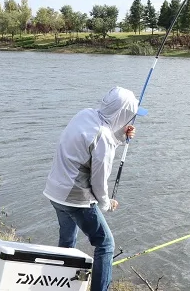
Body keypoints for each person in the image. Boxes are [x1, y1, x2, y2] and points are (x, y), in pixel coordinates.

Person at [43, 86, 142, 291]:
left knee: (67, 241)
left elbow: (95, 142)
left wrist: (121, 136)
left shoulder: (85, 114)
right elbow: (99, 181)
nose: (130, 121)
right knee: (105, 245)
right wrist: (106, 204)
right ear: (122, 113)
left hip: (55, 192)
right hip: (74, 198)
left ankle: (59, 285)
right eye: (130, 116)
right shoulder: (104, 136)